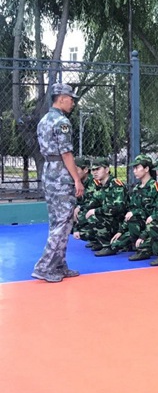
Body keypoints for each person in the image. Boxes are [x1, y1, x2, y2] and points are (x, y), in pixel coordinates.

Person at [32, 83, 84, 283]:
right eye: (71, 99)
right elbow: (66, 153)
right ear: (61, 98)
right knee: (63, 222)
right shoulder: (62, 122)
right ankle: (44, 267)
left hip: (49, 171)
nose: (73, 102)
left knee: (57, 221)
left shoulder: (44, 120)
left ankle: (59, 265)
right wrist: (77, 179)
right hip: (61, 173)